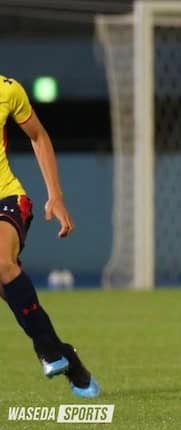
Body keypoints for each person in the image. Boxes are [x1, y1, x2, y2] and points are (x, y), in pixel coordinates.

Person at [0, 74, 99, 397]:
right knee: (8, 286)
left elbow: (38, 135)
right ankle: (63, 353)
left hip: (7, 198)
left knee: (1, 262)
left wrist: (55, 195)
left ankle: (46, 347)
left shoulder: (7, 90)